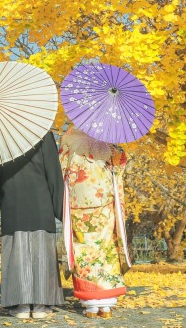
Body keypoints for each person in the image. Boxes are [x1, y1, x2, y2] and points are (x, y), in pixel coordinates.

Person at [0, 131, 65, 320]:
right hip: (41, 200)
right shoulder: (42, 132)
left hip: (13, 200)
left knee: (16, 252)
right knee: (42, 253)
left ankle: (20, 305)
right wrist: (61, 210)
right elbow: (53, 173)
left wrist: (1, 199)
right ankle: (40, 305)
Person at [59, 126, 132, 319]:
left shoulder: (69, 138)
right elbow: (118, 166)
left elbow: (62, 168)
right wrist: (118, 154)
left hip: (79, 202)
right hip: (104, 201)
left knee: (83, 248)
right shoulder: (109, 137)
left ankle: (90, 304)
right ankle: (106, 304)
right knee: (106, 247)